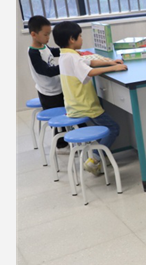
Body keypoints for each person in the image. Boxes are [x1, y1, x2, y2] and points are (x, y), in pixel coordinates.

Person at [53, 21, 127, 176]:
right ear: (72, 39)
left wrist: (109, 61)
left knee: (107, 128)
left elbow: (90, 62)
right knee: (114, 128)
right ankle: (95, 158)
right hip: (86, 106)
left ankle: (100, 156)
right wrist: (114, 67)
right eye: (80, 36)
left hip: (73, 104)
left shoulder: (65, 56)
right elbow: (90, 71)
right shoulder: (73, 58)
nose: (82, 38)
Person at [27, 15, 69, 151]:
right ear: (34, 34)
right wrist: (66, 65)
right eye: (45, 34)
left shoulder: (43, 46)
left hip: (57, 88)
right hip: (48, 93)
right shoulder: (33, 53)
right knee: (57, 121)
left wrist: (68, 51)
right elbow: (47, 71)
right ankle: (61, 146)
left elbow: (53, 51)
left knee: (64, 116)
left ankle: (66, 140)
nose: (48, 37)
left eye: (49, 34)